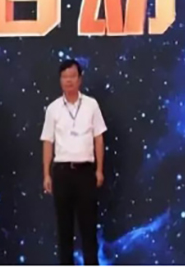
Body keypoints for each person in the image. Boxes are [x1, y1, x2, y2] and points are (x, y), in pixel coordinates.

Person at [41, 59, 107, 265]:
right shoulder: (53, 108)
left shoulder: (91, 105)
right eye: (64, 77)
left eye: (72, 76)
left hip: (86, 172)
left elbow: (98, 138)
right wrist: (46, 174)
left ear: (80, 79)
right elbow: (47, 142)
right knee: (64, 230)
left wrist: (99, 170)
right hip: (62, 173)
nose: (68, 81)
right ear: (60, 80)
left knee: (89, 228)